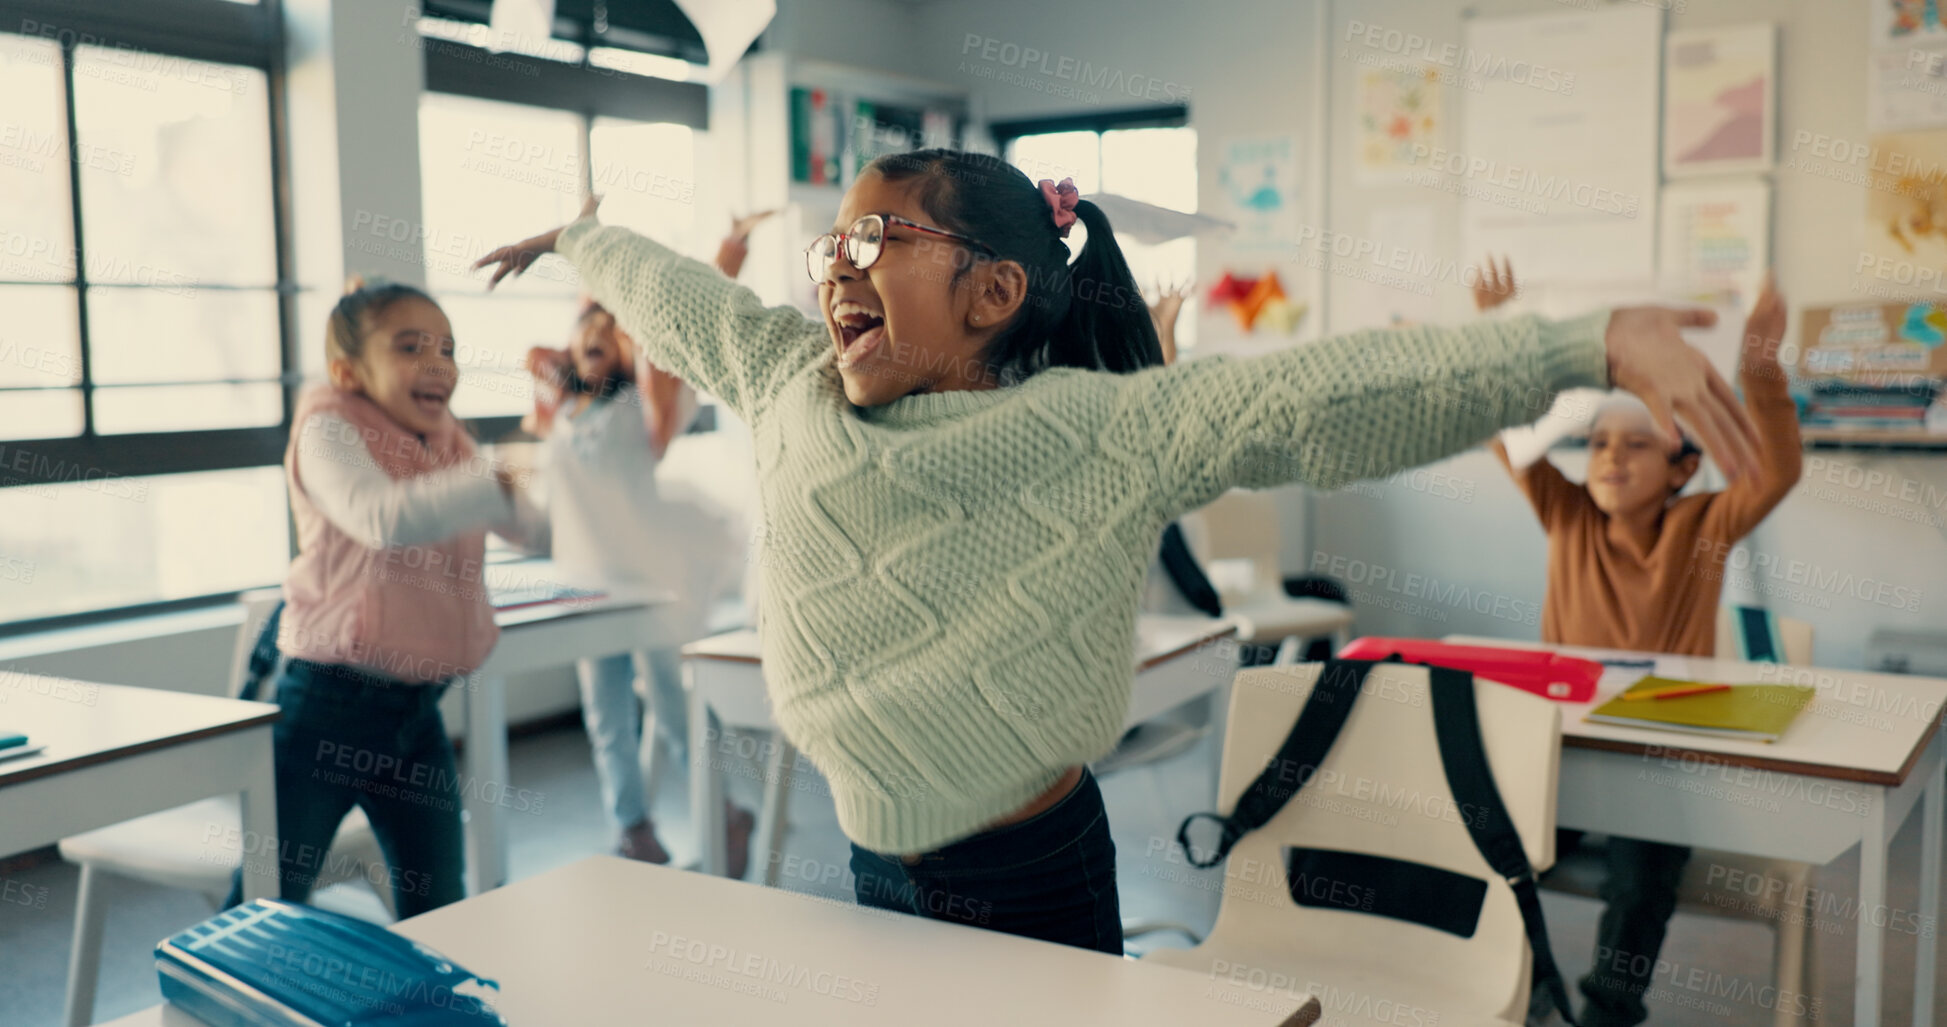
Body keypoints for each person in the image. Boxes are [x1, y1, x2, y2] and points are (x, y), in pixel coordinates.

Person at [474, 148, 1760, 954]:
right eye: (833, 248)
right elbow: (675, 297)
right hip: (865, 854)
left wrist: (1577, 346)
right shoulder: (784, 373)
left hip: (1028, 866)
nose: (836, 271)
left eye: (877, 242)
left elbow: (1327, 393)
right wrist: (580, 238)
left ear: (993, 294)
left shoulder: (1098, 431)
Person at [1489, 276, 1801, 1027]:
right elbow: (1507, 428)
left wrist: (1756, 363)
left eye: (1637, 445)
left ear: (1682, 468)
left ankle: (1608, 1008)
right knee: (1495, 849)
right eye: (1597, 443)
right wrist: (1497, 325)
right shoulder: (1563, 512)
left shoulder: (1704, 525)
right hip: (1561, 755)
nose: (1609, 458)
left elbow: (1777, 469)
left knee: (1640, 880)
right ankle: (1524, 989)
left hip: (1658, 758)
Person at [231, 278, 543, 915]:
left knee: (442, 912)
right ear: (348, 371)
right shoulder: (328, 429)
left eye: (448, 349)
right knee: (263, 908)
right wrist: (497, 477)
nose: (438, 366)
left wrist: (574, 483)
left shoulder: (451, 440)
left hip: (415, 714)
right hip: (325, 710)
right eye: (410, 348)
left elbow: (533, 529)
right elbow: (382, 517)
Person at [521, 214, 773, 872]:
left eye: (611, 332)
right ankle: (632, 830)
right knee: (606, 714)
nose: (596, 339)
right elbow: (540, 358)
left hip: (648, 579)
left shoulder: (649, 406)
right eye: (587, 333)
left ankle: (727, 814)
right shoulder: (564, 409)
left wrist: (729, 250)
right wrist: (584, 250)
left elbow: (687, 321)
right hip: (581, 580)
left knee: (670, 705)